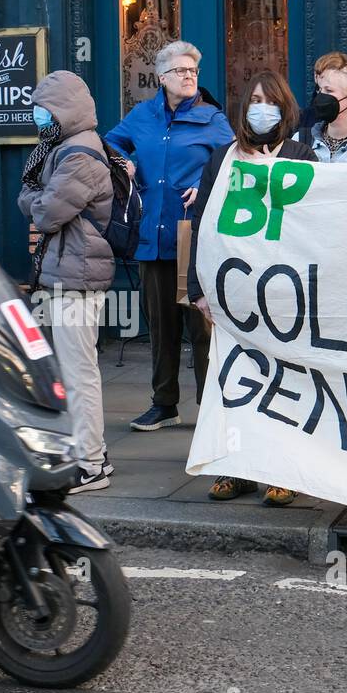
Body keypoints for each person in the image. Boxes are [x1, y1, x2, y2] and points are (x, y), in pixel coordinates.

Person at [187, 71, 315, 507]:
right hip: (232, 290)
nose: (262, 108)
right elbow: (202, 225)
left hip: (283, 291)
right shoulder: (222, 159)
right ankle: (235, 468)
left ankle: (283, 470)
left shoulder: (302, 155)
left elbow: (314, 226)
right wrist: (197, 288)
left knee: (283, 379)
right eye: (254, 99)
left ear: (284, 107)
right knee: (233, 379)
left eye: (270, 101)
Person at [105, 40, 233, 431]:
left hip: (189, 234)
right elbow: (109, 143)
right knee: (160, 326)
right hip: (152, 232)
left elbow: (234, 159)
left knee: (200, 326)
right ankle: (164, 403)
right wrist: (123, 163)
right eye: (181, 70)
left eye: (193, 70)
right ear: (162, 77)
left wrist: (203, 181)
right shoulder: (142, 115)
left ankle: (213, 404)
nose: (189, 75)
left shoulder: (212, 118)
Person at [18, 71, 118, 493]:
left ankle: (90, 463)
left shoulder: (77, 155)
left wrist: (33, 198)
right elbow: (36, 199)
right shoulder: (63, 149)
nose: (39, 117)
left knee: (79, 373)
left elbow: (44, 212)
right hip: (68, 272)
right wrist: (35, 196)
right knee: (75, 369)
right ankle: (92, 449)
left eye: (45, 110)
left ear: (64, 111)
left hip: (77, 276)